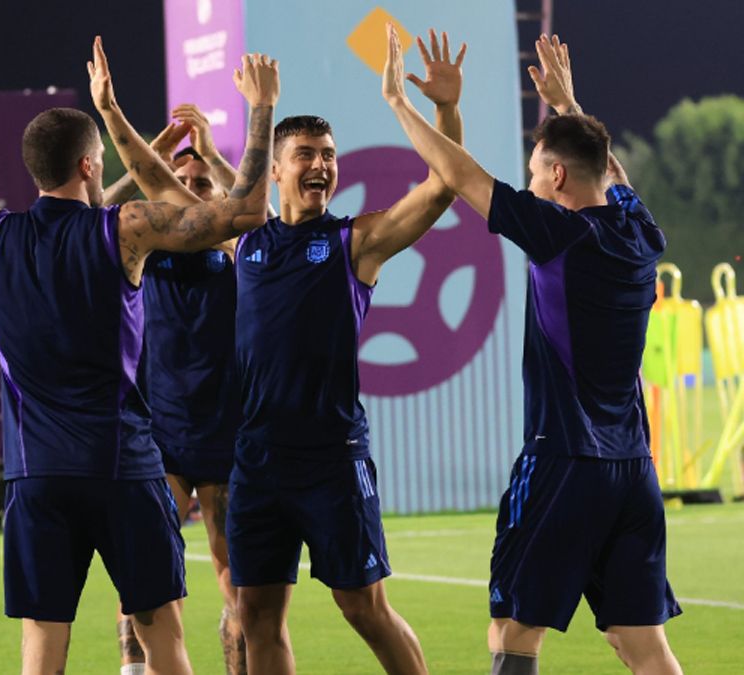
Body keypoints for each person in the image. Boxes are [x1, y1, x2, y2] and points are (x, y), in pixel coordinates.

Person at [0, 36, 279, 674]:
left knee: (42, 653)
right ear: (87, 166)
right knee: (164, 642)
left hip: (38, 478)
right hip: (123, 469)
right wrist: (261, 108)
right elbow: (244, 211)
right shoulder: (125, 230)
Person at [383, 28, 683, 675]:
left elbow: (460, 175)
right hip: (633, 468)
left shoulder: (558, 234)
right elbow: (610, 173)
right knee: (643, 642)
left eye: (533, 175)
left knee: (512, 628)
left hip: (563, 462)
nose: (529, 183)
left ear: (553, 176)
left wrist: (399, 104)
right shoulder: (638, 233)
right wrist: (569, 103)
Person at [227, 29, 466, 675]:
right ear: (276, 169)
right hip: (256, 458)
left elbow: (443, 188)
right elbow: (182, 194)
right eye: (305, 154)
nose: (321, 165)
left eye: (329, 155)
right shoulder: (243, 244)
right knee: (256, 618)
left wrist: (444, 108)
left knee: (363, 607)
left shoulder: (354, 242)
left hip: (331, 458)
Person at [100, 107, 245, 674]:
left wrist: (213, 158)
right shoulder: (141, 253)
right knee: (144, 574)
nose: (187, 192)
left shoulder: (239, 253)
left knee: (237, 577)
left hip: (226, 431)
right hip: (156, 435)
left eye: (200, 186)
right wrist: (146, 164)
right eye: (177, 184)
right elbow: (85, 214)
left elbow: (266, 218)